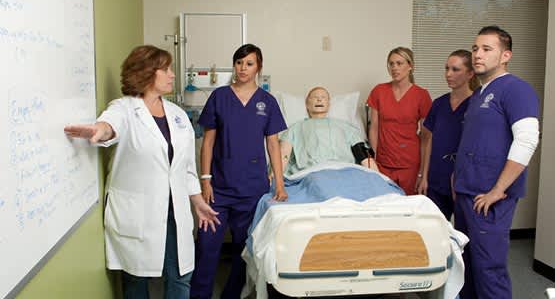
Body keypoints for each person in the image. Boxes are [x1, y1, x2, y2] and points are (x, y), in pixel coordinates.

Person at [63, 45, 220, 299]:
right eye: (166, 69)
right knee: (136, 279)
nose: (172, 75)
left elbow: (185, 168)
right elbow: (110, 125)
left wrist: (197, 200)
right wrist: (100, 130)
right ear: (147, 72)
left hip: (174, 213)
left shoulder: (178, 115)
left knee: (180, 277)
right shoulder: (124, 108)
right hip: (138, 213)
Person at [190, 43, 287, 299]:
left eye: (249, 64)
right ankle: (199, 296)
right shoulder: (219, 97)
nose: (243, 68)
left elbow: (273, 146)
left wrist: (279, 184)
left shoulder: (267, 102)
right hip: (218, 189)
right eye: (239, 62)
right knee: (207, 247)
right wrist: (205, 180)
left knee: (244, 251)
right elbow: (207, 143)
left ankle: (231, 295)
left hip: (252, 190)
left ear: (259, 68)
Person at [453, 26, 540, 299]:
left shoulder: (516, 89)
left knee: (489, 268)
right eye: (475, 48)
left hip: (490, 196)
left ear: (505, 56)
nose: (477, 54)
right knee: (465, 266)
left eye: (486, 49)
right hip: (468, 191)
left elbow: (527, 141)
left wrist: (498, 189)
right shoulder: (478, 94)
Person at [416, 50, 479, 219]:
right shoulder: (439, 104)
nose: (448, 74)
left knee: (464, 234)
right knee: (433, 230)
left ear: (470, 73)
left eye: (455, 69)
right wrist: (423, 176)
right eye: (446, 68)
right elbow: (429, 140)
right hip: (435, 178)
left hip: (462, 181)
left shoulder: (476, 105)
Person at [367, 47, 432, 195]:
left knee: (407, 209)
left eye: (399, 63)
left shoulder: (421, 95)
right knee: (383, 206)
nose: (394, 68)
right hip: (383, 162)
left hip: (410, 164)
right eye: (391, 64)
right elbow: (374, 128)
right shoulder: (379, 91)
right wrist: (373, 162)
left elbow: (426, 137)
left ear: (410, 66)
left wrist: (422, 174)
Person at [280, 86, 378, 176]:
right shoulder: (295, 128)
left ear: (329, 104)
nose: (319, 99)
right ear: (307, 104)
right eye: (314, 97)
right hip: (311, 173)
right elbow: (283, 155)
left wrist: (378, 177)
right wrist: (274, 179)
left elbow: (363, 155)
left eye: (323, 97)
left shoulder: (346, 127)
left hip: (345, 172)